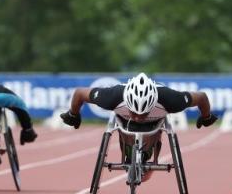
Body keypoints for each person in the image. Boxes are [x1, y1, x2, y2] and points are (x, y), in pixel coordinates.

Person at [60, 73, 218, 181]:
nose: (138, 117)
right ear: (127, 103)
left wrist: (206, 117)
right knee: (127, 128)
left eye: (143, 113)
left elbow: (202, 97)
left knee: (152, 131)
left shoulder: (171, 99)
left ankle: (146, 158)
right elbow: (80, 93)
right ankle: (130, 156)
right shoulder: (112, 96)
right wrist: (73, 114)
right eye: (134, 112)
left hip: (155, 123)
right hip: (124, 123)